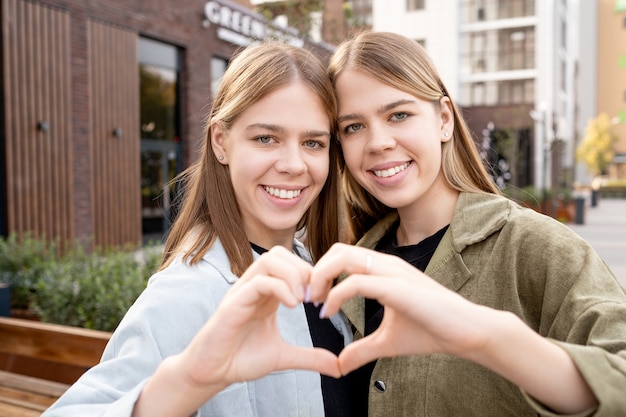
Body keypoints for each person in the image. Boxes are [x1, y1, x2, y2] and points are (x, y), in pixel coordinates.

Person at [308, 31, 626, 417]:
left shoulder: (534, 246)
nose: (378, 142)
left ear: (444, 119)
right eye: (353, 127)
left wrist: (486, 337)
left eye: (399, 115)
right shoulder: (347, 271)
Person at [42, 41, 353, 417]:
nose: (293, 163)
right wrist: (188, 381)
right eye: (265, 138)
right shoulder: (189, 291)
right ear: (221, 141)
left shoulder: (316, 270)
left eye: (312, 142)